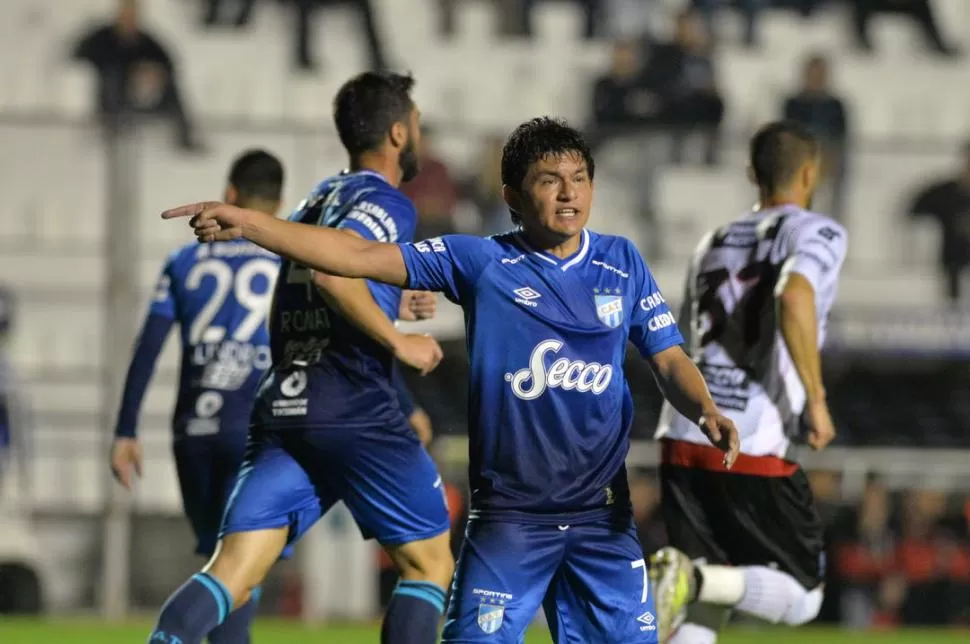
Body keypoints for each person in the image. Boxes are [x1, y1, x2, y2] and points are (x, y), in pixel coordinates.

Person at [164, 116, 741, 643]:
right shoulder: (480, 262)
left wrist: (706, 409)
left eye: (579, 178)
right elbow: (356, 254)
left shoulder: (623, 261)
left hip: (603, 521)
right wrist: (252, 225)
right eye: (550, 180)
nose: (569, 193)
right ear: (513, 197)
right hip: (511, 522)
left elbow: (668, 358)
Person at [147, 71, 454, 644]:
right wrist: (397, 342)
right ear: (396, 132)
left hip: (286, 405)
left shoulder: (319, 198)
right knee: (429, 564)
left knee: (231, 572)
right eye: (415, 124)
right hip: (356, 407)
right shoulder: (386, 201)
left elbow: (297, 291)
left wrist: (388, 301)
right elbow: (333, 277)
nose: (418, 135)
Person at [649, 120, 848, 644]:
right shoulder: (817, 231)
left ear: (750, 174)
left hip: (684, 431)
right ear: (811, 172)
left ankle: (690, 578)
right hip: (750, 439)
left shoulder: (711, 242)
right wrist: (818, 399)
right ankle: (688, 576)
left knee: (707, 608)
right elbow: (795, 296)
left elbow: (686, 338)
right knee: (802, 596)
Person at [110, 149, 284, 643]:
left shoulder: (184, 260)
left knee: (220, 560)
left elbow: (147, 349)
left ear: (230, 195)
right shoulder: (286, 255)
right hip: (256, 430)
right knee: (240, 569)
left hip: (192, 431)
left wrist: (125, 430)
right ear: (280, 201)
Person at [72, 0, 201, 151]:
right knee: (112, 78)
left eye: (132, 15)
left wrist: (154, 73)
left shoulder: (147, 41)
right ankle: (113, 129)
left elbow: (168, 64)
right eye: (125, 15)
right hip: (110, 96)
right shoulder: (101, 38)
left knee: (171, 87)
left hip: (143, 96)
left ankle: (184, 138)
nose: (129, 19)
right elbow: (79, 55)